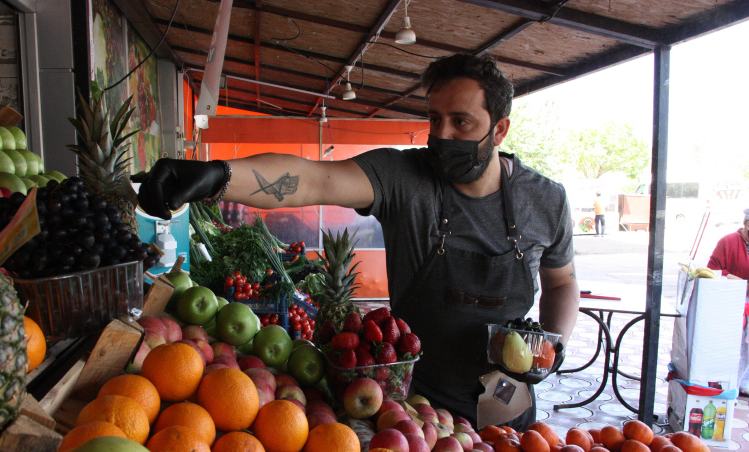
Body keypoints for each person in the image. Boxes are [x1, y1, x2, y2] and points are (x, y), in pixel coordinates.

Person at [136, 54, 580, 430]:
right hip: (413, 411)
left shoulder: (545, 201)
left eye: (461, 122)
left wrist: (553, 344)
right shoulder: (406, 178)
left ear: (499, 130)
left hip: (507, 409)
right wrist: (218, 176)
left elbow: (561, 282)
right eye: (434, 119)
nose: (442, 135)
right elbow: (312, 179)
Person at [706, 208, 749, 396]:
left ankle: (743, 382)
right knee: (734, 344)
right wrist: (734, 279)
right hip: (732, 299)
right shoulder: (729, 241)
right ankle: (729, 386)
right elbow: (712, 270)